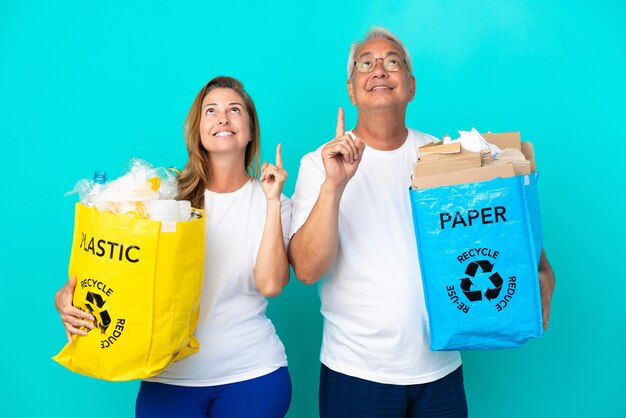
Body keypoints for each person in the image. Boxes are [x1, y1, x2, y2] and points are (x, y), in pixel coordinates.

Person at [288, 27, 556, 418]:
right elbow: (308, 270)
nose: (379, 69)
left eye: (392, 61)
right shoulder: (319, 164)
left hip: (440, 367)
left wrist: (540, 263)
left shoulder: (442, 157)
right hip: (356, 372)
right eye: (367, 63)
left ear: (410, 86)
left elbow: (497, 219)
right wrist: (334, 186)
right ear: (351, 89)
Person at [55, 76, 293, 418]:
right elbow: (117, 273)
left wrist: (271, 203)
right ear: (198, 130)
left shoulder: (275, 201)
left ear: (251, 130)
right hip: (169, 376)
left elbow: (271, 284)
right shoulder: (162, 199)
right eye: (211, 111)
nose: (223, 118)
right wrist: (67, 296)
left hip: (252, 375)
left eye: (234, 110)